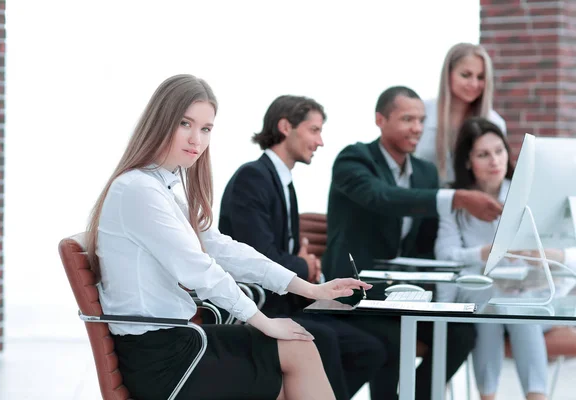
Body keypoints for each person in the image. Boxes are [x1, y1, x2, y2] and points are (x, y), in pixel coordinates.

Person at [85, 74, 371, 400]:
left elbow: (222, 249)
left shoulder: (165, 185)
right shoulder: (139, 189)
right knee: (296, 350)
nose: (197, 139)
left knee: (295, 354)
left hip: (178, 341)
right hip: (160, 358)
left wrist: (308, 287)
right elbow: (199, 270)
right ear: (161, 121)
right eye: (185, 124)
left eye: (206, 129)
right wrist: (263, 321)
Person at [322, 86, 499, 400]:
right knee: (393, 337)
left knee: (461, 333)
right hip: (357, 291)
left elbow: (426, 243)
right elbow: (383, 198)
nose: (417, 128)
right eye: (407, 119)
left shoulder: (425, 173)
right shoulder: (354, 159)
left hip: (406, 293)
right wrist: (456, 198)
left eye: (420, 120)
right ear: (380, 119)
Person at [219, 94, 387, 399]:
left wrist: (302, 263)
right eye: (314, 130)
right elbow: (260, 258)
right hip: (257, 306)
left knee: (370, 349)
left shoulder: (284, 182)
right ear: (286, 127)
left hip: (284, 301)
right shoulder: (252, 178)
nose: (320, 141)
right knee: (324, 338)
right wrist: (305, 264)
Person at [434, 117, 548, 400]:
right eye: (483, 154)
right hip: (477, 294)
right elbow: (445, 255)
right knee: (489, 305)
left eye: (499, 151)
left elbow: (552, 248)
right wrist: (483, 252)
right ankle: (491, 394)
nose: (494, 160)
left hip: (527, 297)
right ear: (468, 161)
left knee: (517, 307)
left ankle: (532, 395)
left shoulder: (526, 193)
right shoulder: (457, 200)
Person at [415, 42, 506, 186]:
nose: (474, 84)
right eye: (466, 75)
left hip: (470, 204)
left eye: (481, 77)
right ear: (448, 74)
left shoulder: (494, 122)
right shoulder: (421, 112)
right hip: (422, 201)